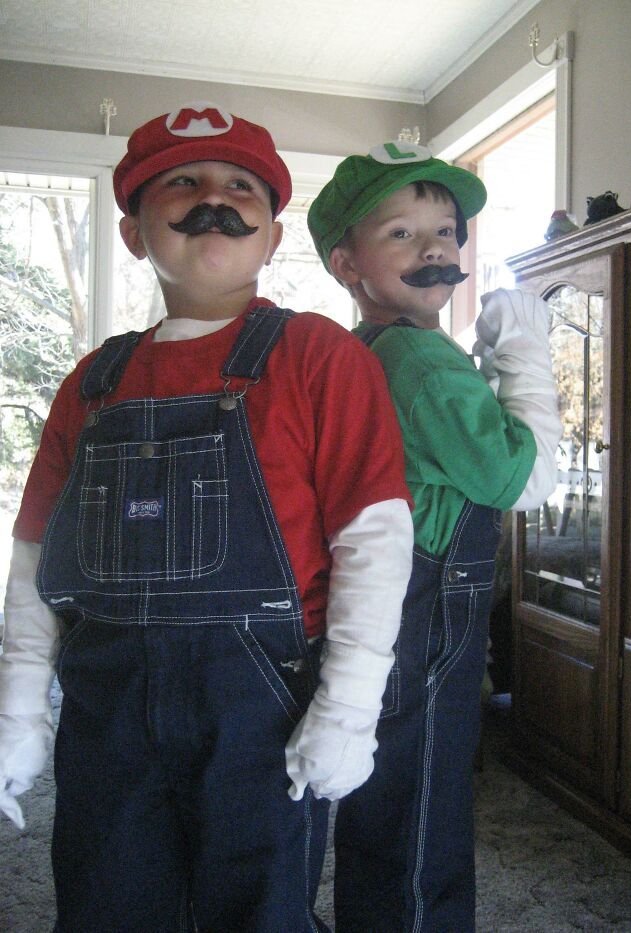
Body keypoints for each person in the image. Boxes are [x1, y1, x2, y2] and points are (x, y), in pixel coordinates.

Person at [0, 104, 414, 932]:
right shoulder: (93, 380)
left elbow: (374, 540)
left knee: (259, 906)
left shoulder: (318, 356)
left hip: (261, 703)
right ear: (132, 231)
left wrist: (348, 708)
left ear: (271, 232)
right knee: (105, 899)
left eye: (239, 187)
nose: (213, 200)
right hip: (105, 699)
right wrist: (17, 712)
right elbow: (37, 556)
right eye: (181, 182)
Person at [307, 139, 562, 932]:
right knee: (423, 812)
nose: (436, 250)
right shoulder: (423, 361)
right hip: (427, 616)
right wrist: (522, 345)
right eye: (403, 234)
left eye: (446, 231)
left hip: (383, 608)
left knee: (381, 806)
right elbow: (527, 479)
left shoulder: (365, 353)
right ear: (348, 263)